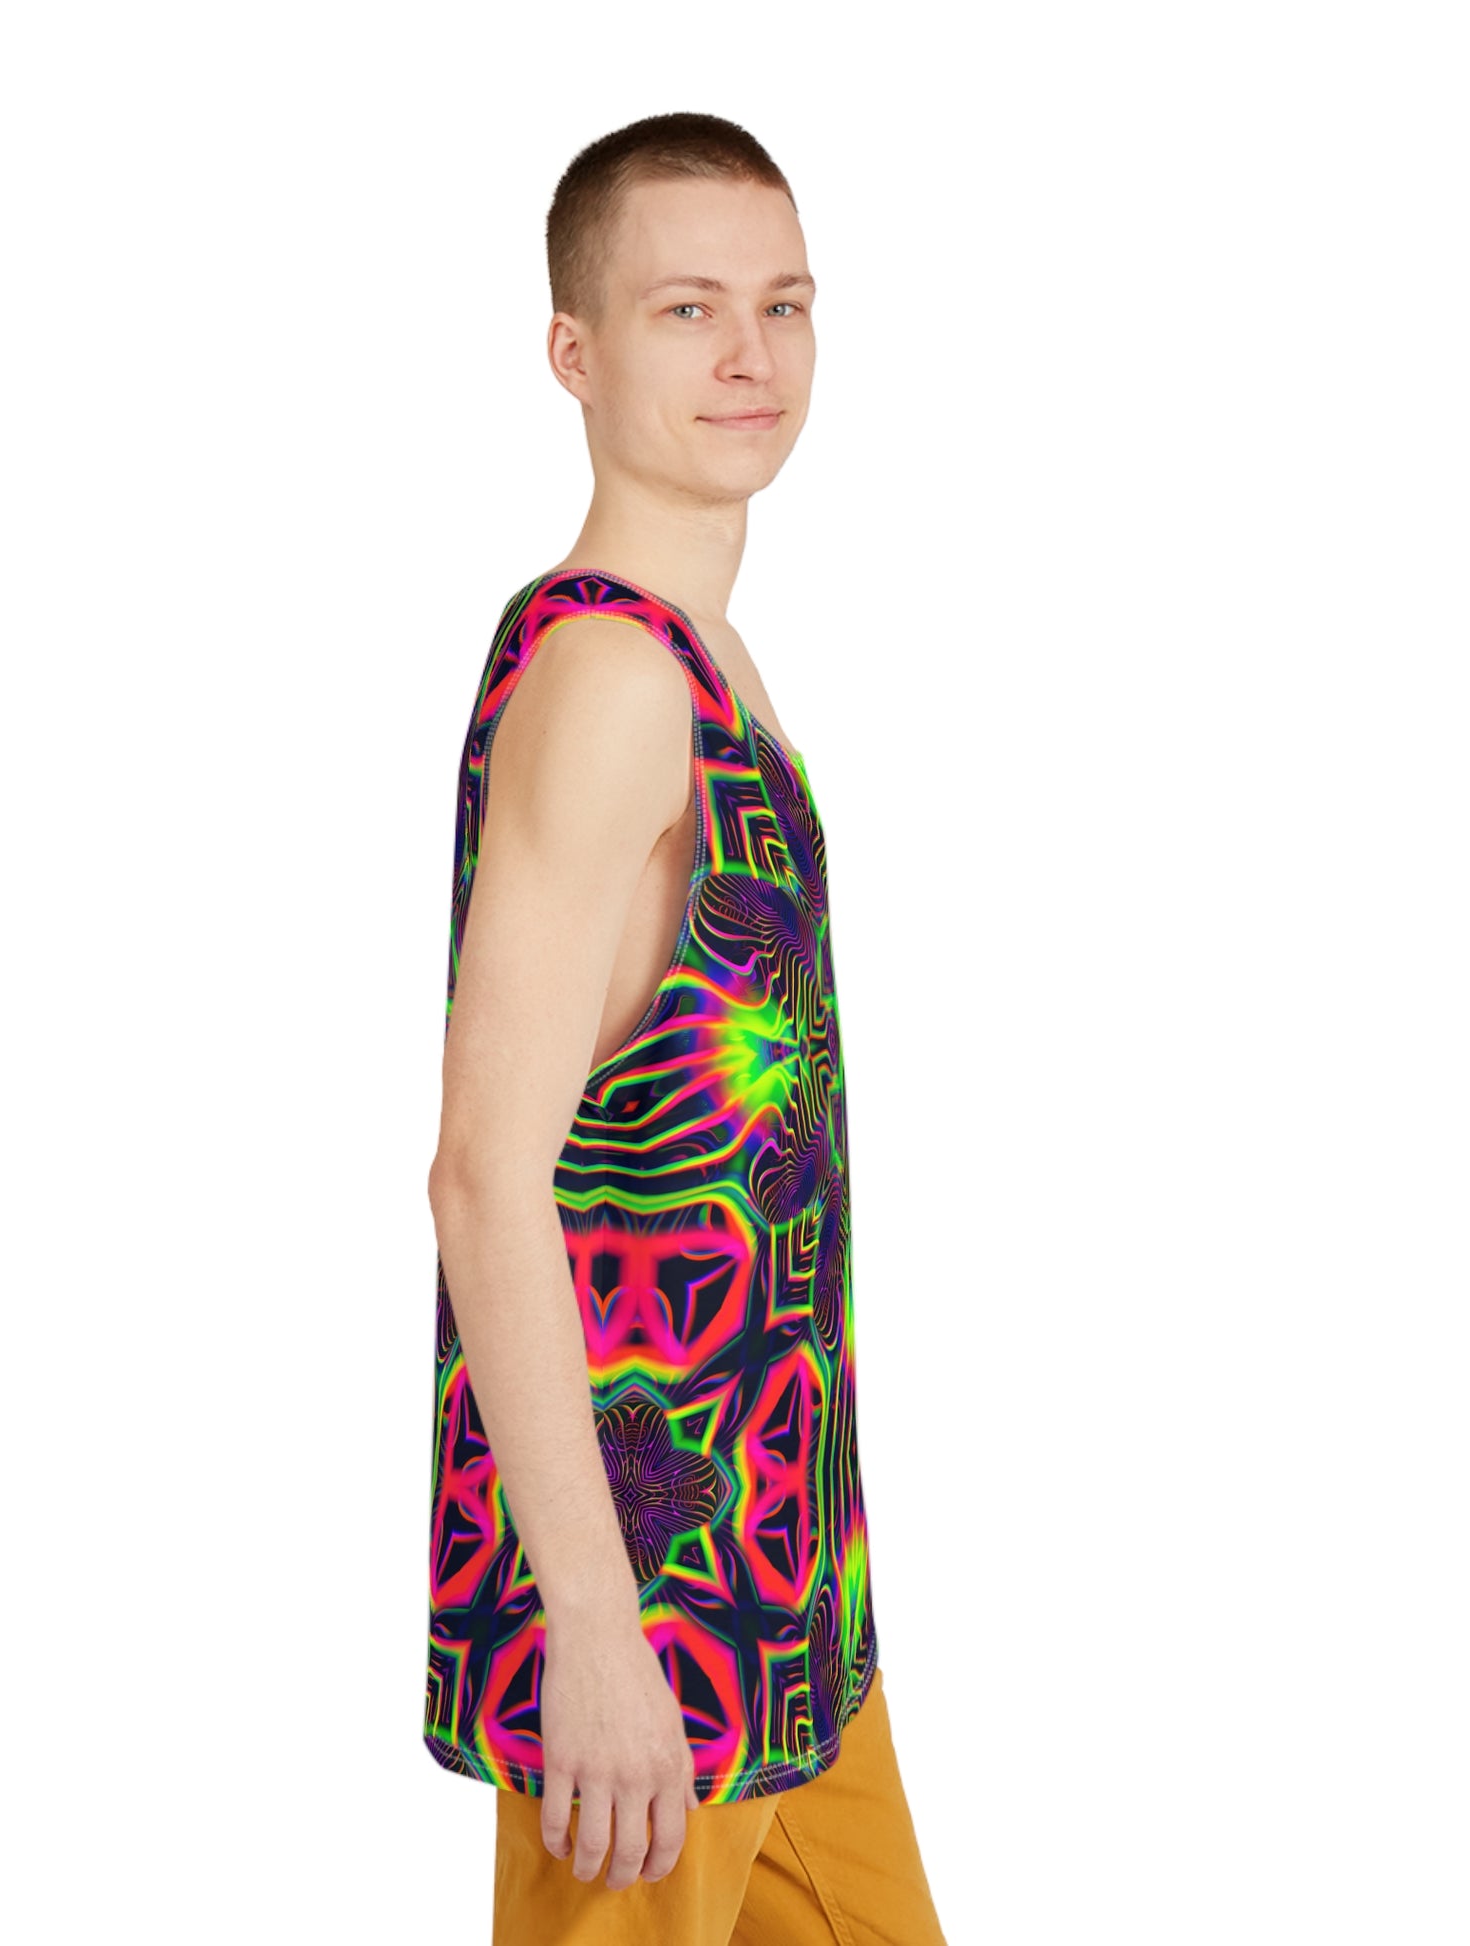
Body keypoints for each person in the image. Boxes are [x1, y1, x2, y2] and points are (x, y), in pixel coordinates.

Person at [423, 112, 948, 1944]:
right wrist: (591, 1626)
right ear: (572, 352)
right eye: (686, 308)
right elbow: (482, 1174)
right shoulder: (613, 681)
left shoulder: (705, 656)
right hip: (654, 1627)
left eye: (782, 303)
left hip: (789, 1602)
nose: (749, 353)